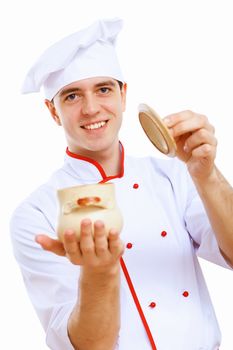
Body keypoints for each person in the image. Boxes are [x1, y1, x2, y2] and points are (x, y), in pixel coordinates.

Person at [10, 17, 233, 350]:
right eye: (71, 96)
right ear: (53, 111)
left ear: (123, 95)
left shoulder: (173, 176)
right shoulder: (35, 215)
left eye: (103, 89)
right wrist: (99, 272)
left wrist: (207, 175)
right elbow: (90, 346)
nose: (91, 108)